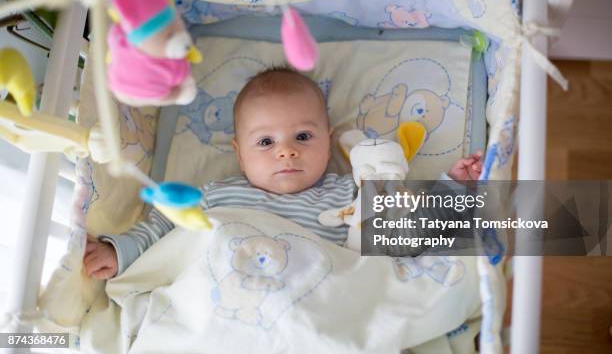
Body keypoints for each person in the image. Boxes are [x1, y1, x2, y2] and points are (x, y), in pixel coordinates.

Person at [83, 67, 483, 279]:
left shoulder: (350, 193)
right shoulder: (215, 194)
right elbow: (160, 229)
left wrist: (453, 189)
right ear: (239, 155)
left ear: (329, 141)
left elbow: (402, 228)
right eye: (265, 143)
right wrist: (119, 251)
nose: (286, 150)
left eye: (303, 136)